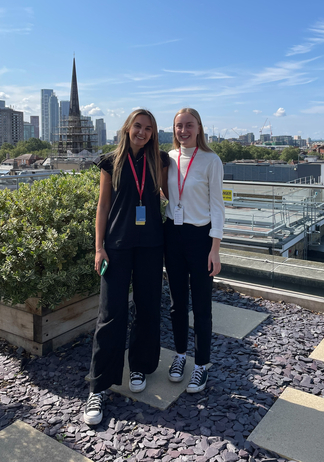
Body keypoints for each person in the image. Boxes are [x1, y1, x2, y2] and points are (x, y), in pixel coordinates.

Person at [84, 109, 169, 425]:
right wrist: (99, 247)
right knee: (110, 314)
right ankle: (99, 387)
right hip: (115, 249)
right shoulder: (110, 162)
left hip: (150, 246)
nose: (142, 132)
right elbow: (103, 205)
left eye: (148, 128)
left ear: (153, 132)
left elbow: (169, 194)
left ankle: (140, 367)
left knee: (148, 308)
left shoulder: (159, 161)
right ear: (127, 128)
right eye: (138, 126)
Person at [164, 107, 224, 393]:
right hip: (172, 236)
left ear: (199, 128)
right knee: (176, 304)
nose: (183, 131)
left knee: (201, 305)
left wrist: (215, 249)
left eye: (189, 125)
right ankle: (180, 355)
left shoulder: (212, 161)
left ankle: (201, 365)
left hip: (200, 238)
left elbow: (218, 207)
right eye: (179, 126)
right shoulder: (168, 159)